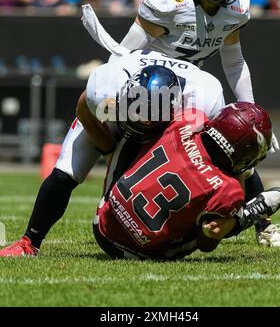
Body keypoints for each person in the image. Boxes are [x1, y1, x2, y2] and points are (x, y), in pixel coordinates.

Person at [82, 0, 280, 246]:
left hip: (193, 90)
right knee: (130, 148)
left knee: (235, 146)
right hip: (154, 89)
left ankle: (264, 224)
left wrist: (251, 111)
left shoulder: (237, 8)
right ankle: (117, 215)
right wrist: (119, 93)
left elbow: (234, 62)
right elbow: (127, 53)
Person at [0, 55, 225, 257]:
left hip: (166, 129)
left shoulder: (202, 102)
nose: (140, 126)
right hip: (114, 118)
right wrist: (108, 149)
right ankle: (29, 242)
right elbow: (85, 112)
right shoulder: (107, 88)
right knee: (64, 174)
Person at [92, 102, 280, 260]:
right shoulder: (228, 189)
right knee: (215, 224)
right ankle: (244, 216)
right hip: (140, 251)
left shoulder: (190, 118)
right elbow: (206, 245)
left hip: (103, 221)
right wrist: (233, 215)